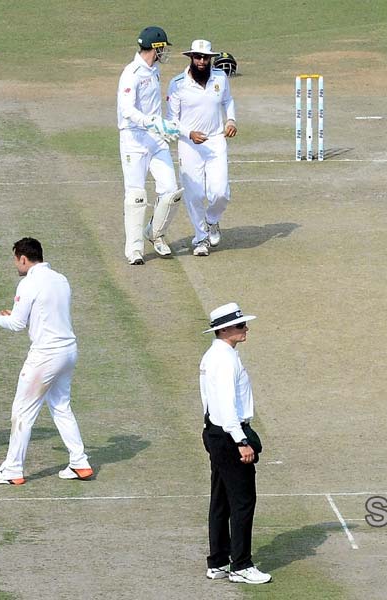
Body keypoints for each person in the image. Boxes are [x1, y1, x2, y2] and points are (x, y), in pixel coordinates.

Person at [0, 238, 92, 485]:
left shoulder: (29, 283)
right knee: (61, 406)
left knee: (22, 411)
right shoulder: (61, 279)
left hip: (45, 355)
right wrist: (15, 315)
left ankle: (13, 470)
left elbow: (17, 324)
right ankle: (80, 462)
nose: (15, 265)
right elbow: (46, 317)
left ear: (23, 258)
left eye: (15, 260)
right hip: (68, 351)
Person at [200, 303, 271, 584]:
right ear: (225, 329)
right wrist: (241, 441)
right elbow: (227, 404)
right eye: (241, 325)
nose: (246, 329)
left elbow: (209, 401)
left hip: (215, 432)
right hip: (230, 435)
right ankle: (241, 565)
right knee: (242, 502)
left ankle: (218, 562)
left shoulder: (213, 356)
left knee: (220, 500)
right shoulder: (226, 359)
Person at [117, 25, 184, 265]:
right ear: (155, 48)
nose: (164, 52)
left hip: (156, 139)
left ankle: (155, 234)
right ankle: (133, 250)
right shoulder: (131, 73)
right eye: (163, 47)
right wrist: (150, 122)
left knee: (171, 191)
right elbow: (127, 110)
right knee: (135, 195)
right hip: (134, 138)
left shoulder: (154, 70)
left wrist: (163, 125)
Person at [167, 40, 237, 257]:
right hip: (189, 145)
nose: (201, 61)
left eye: (205, 57)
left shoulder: (220, 77)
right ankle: (201, 239)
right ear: (191, 57)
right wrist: (189, 134)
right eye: (197, 57)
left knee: (220, 193)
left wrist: (231, 120)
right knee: (195, 195)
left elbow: (228, 100)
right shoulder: (177, 83)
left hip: (216, 140)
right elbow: (171, 120)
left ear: (210, 59)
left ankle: (212, 220)